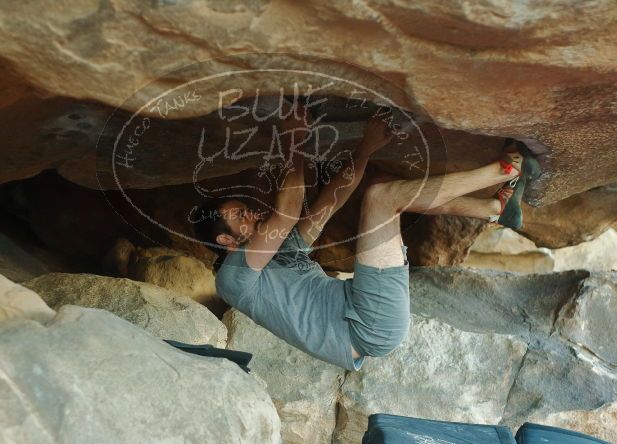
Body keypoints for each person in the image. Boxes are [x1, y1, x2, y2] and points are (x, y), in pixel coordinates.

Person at [191, 100, 539, 371]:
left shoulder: (284, 251)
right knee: (383, 200)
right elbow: (289, 208)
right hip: (365, 326)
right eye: (239, 216)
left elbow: (332, 200)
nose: (251, 213)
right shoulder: (234, 277)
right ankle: (506, 168)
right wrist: (292, 137)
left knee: (383, 189)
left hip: (361, 310)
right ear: (226, 241)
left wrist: (366, 149)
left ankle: (494, 208)